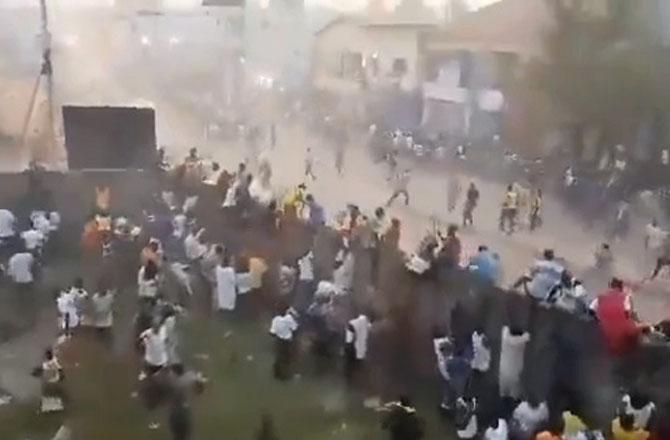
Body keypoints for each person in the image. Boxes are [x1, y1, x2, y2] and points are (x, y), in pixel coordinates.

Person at [590, 278, 648, 355]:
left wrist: (599, 321)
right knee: (645, 327)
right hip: (622, 333)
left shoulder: (600, 298)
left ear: (610, 286)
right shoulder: (625, 297)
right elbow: (628, 314)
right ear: (621, 287)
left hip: (604, 331)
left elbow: (591, 310)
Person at [499, 326, 530, 399]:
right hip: (516, 376)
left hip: (503, 371)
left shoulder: (504, 335)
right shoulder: (523, 341)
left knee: (502, 396)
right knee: (514, 399)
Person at [269, 307, 299, 381]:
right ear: (286, 311)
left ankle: (277, 374)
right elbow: (295, 329)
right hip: (287, 341)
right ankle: (285, 376)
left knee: (278, 357)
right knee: (287, 358)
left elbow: (272, 333)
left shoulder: (275, 319)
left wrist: (279, 333)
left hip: (279, 341)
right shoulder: (289, 318)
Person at [344, 313, 372, 383]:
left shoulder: (351, 323)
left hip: (354, 352)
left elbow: (349, 340)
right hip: (367, 353)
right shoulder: (371, 326)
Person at [36, 348, 65, 413]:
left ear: (50, 355)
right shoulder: (45, 362)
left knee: (53, 391)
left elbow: (60, 368)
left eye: (48, 355)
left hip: (53, 379)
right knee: (46, 391)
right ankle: (46, 405)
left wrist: (62, 376)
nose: (46, 356)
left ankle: (56, 405)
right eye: (46, 355)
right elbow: (43, 369)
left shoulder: (54, 361)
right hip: (47, 379)